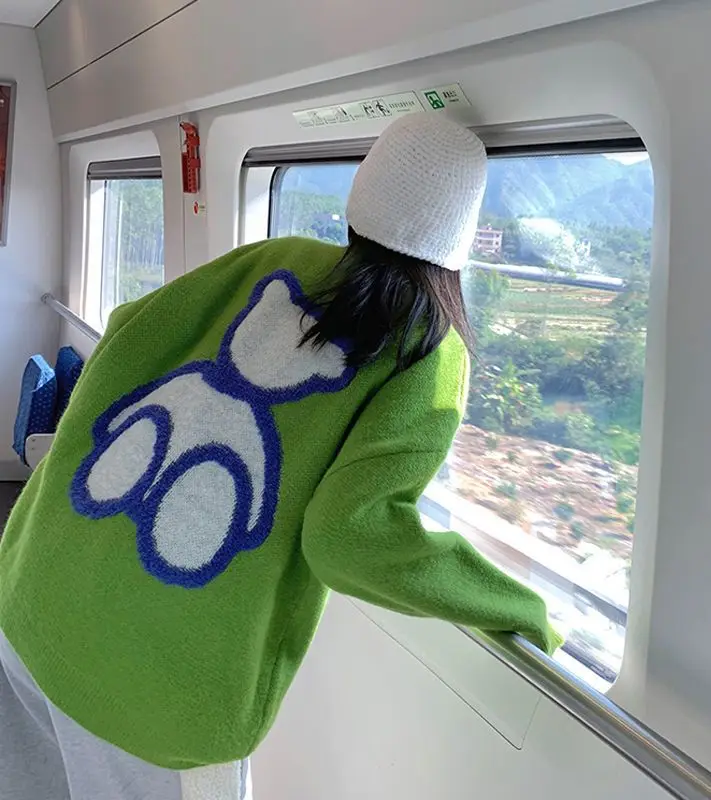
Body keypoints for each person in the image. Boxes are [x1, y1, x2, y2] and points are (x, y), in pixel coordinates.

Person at [0, 112, 562, 799]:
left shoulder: (275, 258)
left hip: (33, 595)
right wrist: (516, 605)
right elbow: (350, 537)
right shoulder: (426, 348)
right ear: (461, 235)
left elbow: (125, 329)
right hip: (148, 692)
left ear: (361, 194)